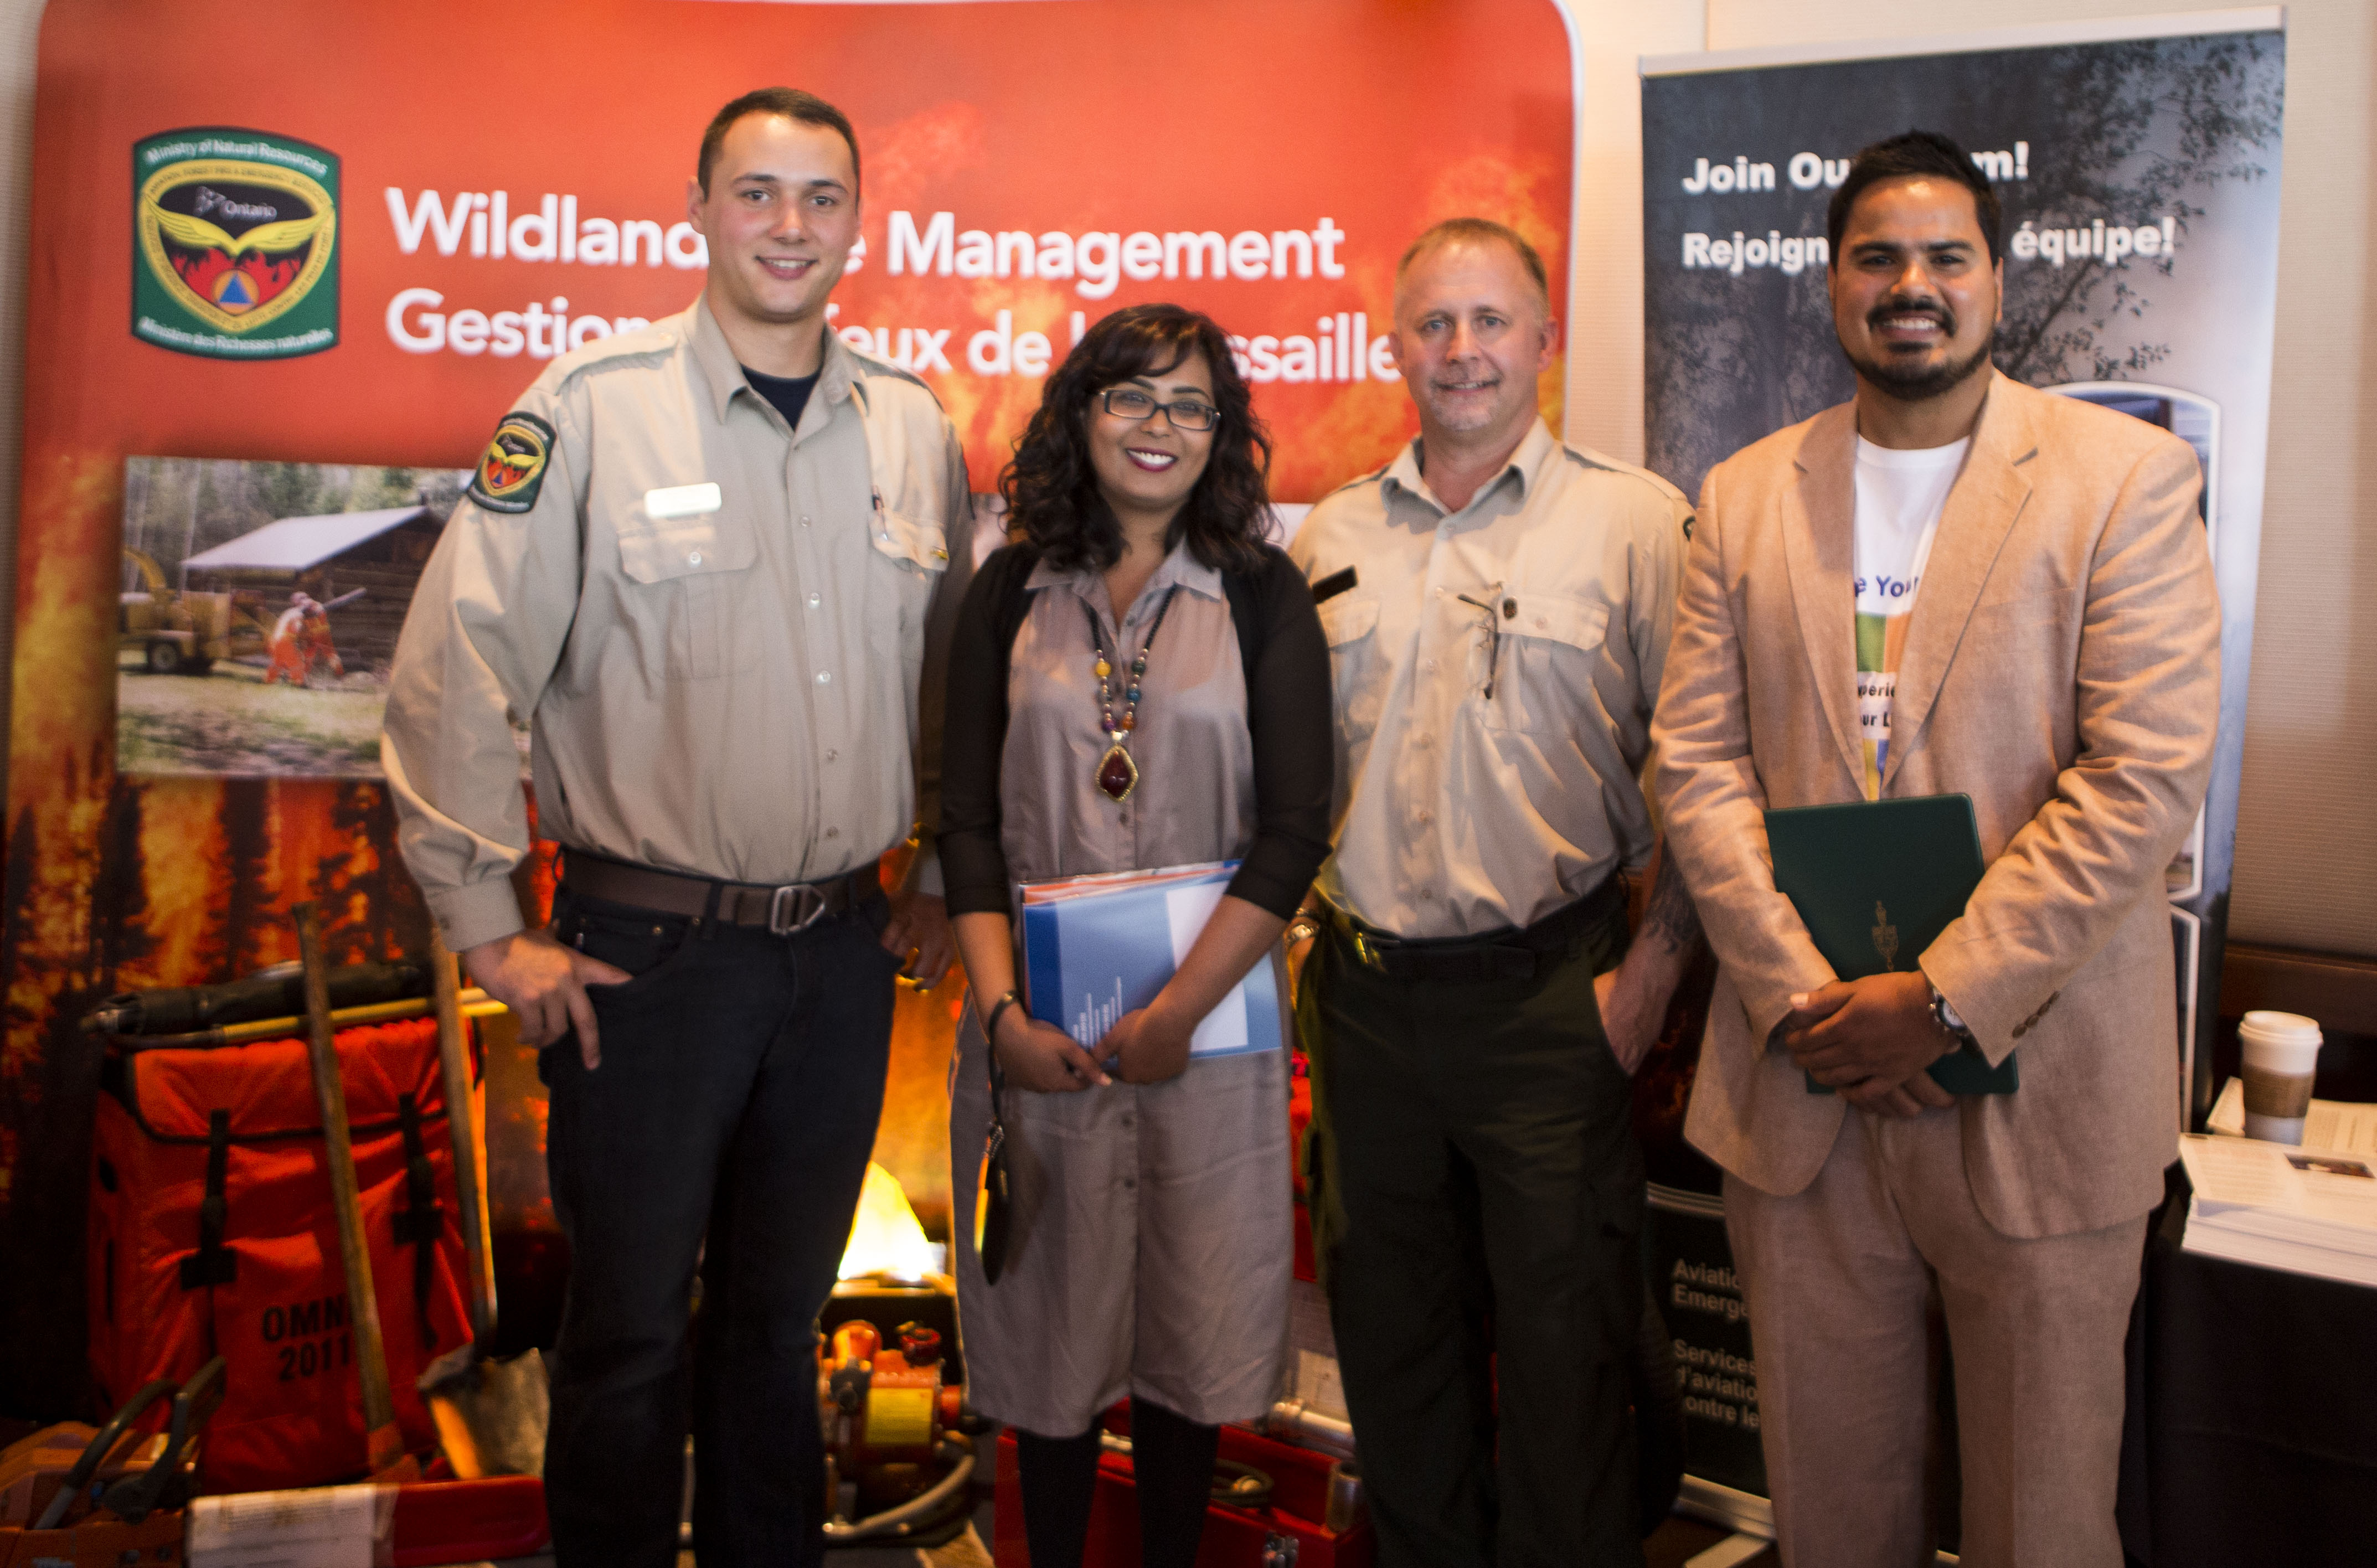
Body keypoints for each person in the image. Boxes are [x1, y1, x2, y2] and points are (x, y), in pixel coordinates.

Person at [381, 88, 972, 1567]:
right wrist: (488, 929)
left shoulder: (911, 428)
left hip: (837, 959)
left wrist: (939, 868)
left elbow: (955, 684)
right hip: (646, 962)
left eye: (820, 196)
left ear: (857, 222)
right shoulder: (591, 409)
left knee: (778, 1330)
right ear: (697, 210)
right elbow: (457, 665)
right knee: (630, 1333)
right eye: (755, 192)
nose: (788, 225)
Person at [1653, 130, 2219, 1567]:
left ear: (1994, 281)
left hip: (2045, 1097)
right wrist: (1805, 1000)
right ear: (1831, 285)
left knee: (2040, 1524)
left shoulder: (2123, 478)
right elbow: (1694, 765)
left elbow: (2141, 774)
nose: (1909, 284)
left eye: (1943, 257)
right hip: (1802, 1092)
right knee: (1829, 1519)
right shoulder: (1739, 495)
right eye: (1875, 258)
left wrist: (1945, 998)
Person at [1289, 218, 1703, 1566]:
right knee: (1391, 1350)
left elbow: (1705, 772)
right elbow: (1291, 778)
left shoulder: (1634, 524)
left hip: (1549, 1003)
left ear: (1543, 340)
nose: (1459, 350)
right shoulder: (1332, 532)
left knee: (1565, 1357)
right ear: (1393, 347)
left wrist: (1648, 985)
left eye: (1488, 321)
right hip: (1365, 1010)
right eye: (1431, 324)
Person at [939, 304, 1332, 1568]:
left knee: (1187, 1352)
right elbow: (965, 825)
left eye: (1189, 405)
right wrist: (1001, 1021)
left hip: (1204, 1039)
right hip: (1038, 1034)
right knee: (1049, 1355)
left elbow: (1294, 831)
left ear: (1220, 433)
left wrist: (1176, 1017)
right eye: (1131, 397)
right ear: (1081, 413)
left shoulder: (1262, 592)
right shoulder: (1006, 589)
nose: (1159, 427)